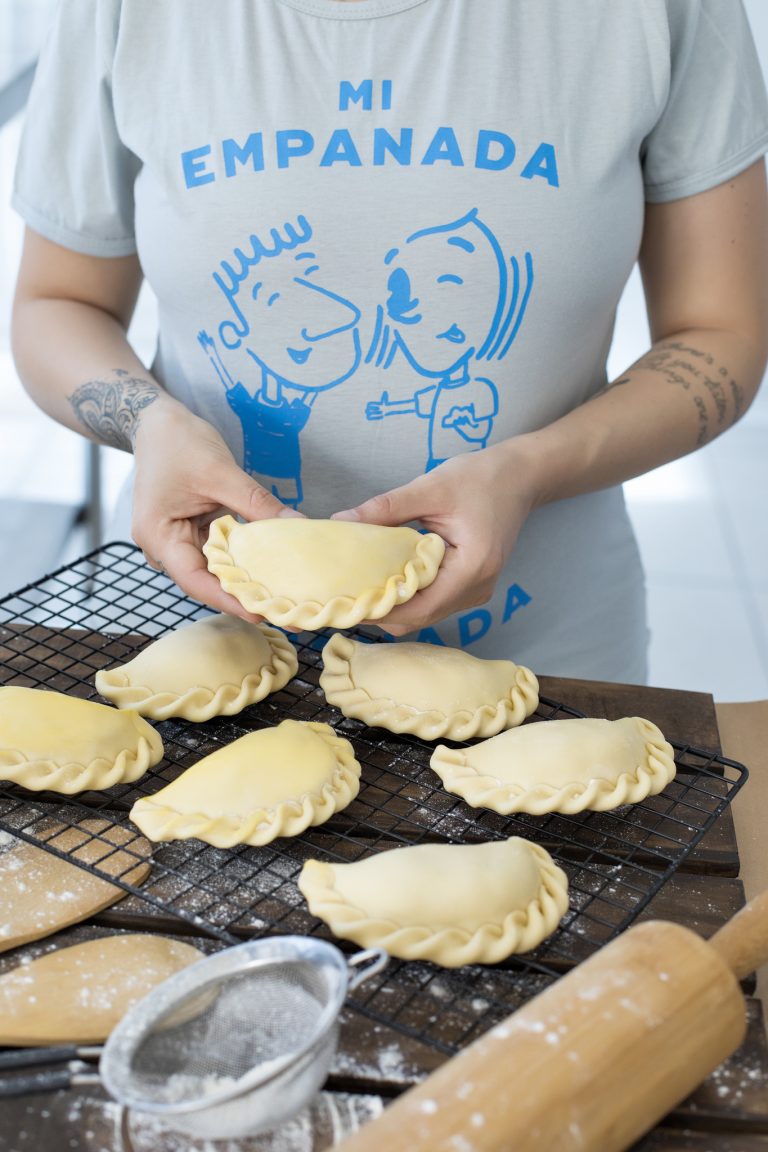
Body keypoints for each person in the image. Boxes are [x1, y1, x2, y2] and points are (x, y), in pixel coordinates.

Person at [10, 0, 768, 682]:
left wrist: (528, 471)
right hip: (196, 648)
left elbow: (719, 335)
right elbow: (57, 303)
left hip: (545, 657)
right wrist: (152, 422)